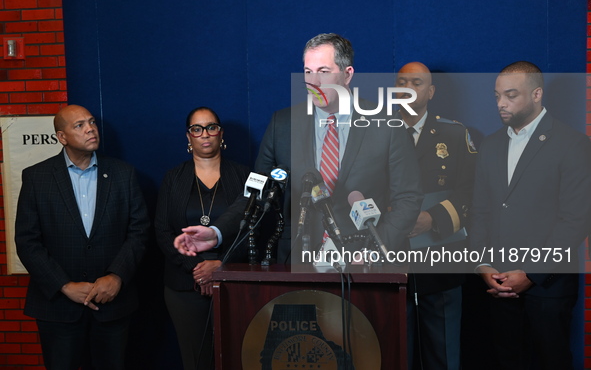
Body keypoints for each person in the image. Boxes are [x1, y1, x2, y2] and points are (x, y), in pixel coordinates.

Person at [174, 33, 423, 270]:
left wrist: (376, 248)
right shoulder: (282, 125)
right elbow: (255, 195)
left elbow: (408, 197)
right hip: (298, 261)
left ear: (347, 75)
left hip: (365, 260)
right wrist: (217, 232)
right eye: (307, 72)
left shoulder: (388, 124)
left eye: (323, 72)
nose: (313, 82)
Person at [471, 61, 591, 369]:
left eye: (511, 95)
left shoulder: (574, 144)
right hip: (497, 284)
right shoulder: (491, 145)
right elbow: (480, 210)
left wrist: (531, 273)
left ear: (537, 94)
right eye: (497, 95)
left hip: (548, 289)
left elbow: (575, 220)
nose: (501, 103)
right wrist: (483, 265)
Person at [15, 104, 150, 370]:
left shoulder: (123, 174)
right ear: (62, 137)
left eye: (91, 122)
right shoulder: (36, 177)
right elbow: (27, 242)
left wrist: (116, 276)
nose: (90, 129)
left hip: (112, 305)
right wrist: (64, 285)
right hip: (58, 308)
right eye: (79, 126)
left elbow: (140, 231)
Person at [155, 107, 249, 370]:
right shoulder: (173, 178)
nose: (204, 134)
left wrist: (221, 267)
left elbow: (254, 230)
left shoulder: (244, 175)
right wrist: (198, 271)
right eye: (196, 129)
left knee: (237, 355)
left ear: (221, 133)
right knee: (196, 360)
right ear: (188, 137)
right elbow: (162, 232)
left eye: (211, 127)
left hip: (234, 281)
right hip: (184, 286)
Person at [397, 62, 477, 370]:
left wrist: (432, 218)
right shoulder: (375, 132)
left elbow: (471, 191)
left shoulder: (455, 134)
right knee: (394, 351)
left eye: (415, 82)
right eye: (401, 82)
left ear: (430, 91)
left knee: (442, 355)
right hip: (390, 257)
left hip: (441, 256)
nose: (407, 87)